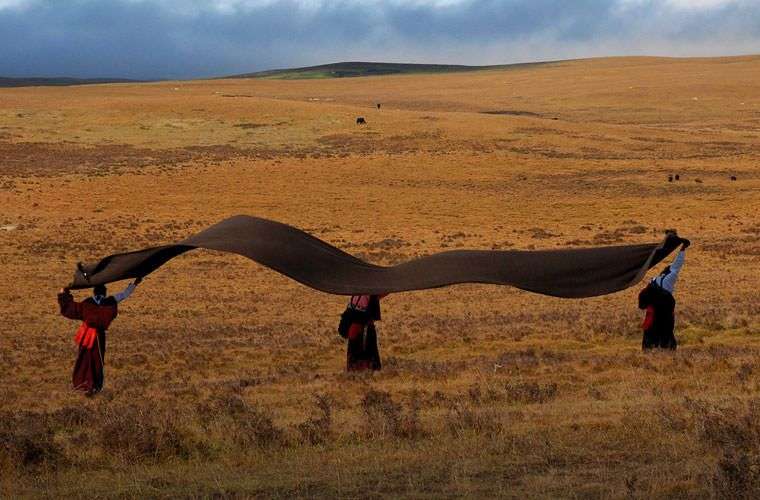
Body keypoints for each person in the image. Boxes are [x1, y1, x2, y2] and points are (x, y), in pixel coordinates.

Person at [57, 278, 142, 395]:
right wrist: (134, 284)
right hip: (95, 337)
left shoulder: (88, 303)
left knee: (85, 359)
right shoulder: (109, 302)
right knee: (96, 360)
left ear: (94, 292)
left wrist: (63, 293)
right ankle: (92, 385)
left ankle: (84, 384)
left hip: (87, 336)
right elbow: (123, 294)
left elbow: (71, 308)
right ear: (104, 292)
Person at [638, 236, 690, 350]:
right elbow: (677, 264)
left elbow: (643, 301)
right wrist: (683, 248)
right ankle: (666, 348)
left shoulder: (654, 280)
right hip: (664, 310)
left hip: (654, 312)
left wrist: (682, 248)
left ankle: (651, 349)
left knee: (652, 332)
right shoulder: (669, 278)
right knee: (665, 331)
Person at [344, 294, 383, 371]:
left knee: (366, 341)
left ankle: (367, 367)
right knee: (356, 340)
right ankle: (356, 367)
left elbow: (381, 294)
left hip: (364, 316)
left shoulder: (372, 290)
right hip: (356, 315)